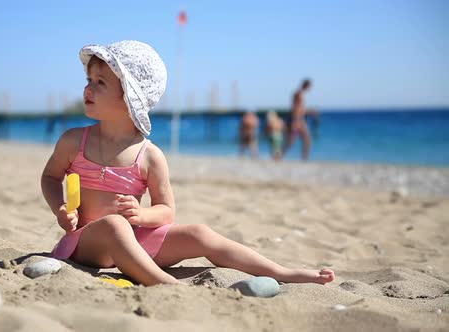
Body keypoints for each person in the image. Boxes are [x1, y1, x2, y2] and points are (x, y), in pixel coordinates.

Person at [41, 41, 335, 286]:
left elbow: (166, 212)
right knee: (115, 225)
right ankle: (165, 284)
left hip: (136, 240)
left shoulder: (149, 156)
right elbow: (51, 178)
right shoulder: (73, 141)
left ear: (131, 99)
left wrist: (142, 216)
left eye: (100, 82)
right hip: (87, 243)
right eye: (89, 81)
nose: (87, 89)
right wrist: (61, 210)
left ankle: (282, 273)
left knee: (199, 233)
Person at [282, 79, 318, 160]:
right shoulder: (298, 94)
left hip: (300, 120)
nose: (310, 89)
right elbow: (296, 108)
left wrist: (309, 111)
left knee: (307, 139)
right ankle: (279, 155)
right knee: (291, 140)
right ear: (306, 85)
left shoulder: (300, 94)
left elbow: (300, 108)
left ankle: (304, 158)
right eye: (310, 87)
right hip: (297, 119)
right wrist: (295, 120)